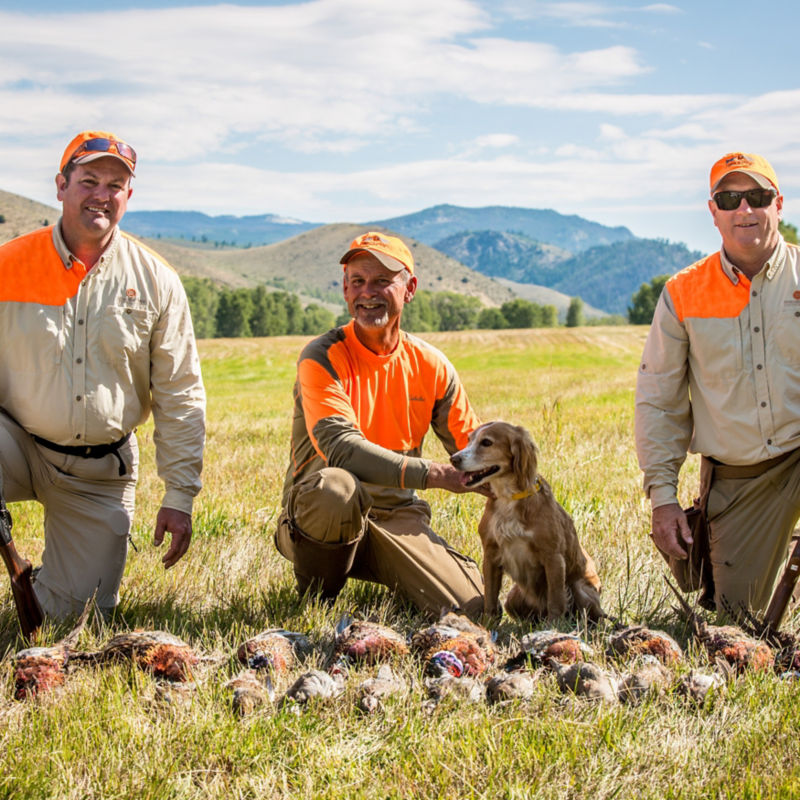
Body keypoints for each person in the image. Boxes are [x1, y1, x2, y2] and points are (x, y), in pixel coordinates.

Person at [0, 130, 206, 620]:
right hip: (15, 444)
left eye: (115, 185)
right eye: (89, 180)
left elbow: (180, 393)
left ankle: (45, 587)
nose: (102, 194)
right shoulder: (7, 265)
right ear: (61, 186)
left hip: (98, 471)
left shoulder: (158, 281)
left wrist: (179, 495)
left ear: (128, 195)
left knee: (74, 618)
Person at [275, 231, 487, 617]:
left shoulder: (432, 365)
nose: (367, 293)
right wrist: (436, 475)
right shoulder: (322, 356)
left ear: (410, 289)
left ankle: (397, 567)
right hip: (322, 517)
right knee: (335, 488)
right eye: (357, 281)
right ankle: (318, 600)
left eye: (382, 281)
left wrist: (529, 497)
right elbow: (341, 448)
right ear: (345, 289)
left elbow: (477, 452)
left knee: (471, 609)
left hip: (395, 516)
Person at [635, 150, 800, 615]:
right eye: (729, 199)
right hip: (744, 474)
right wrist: (663, 499)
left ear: (778, 203)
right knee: (737, 619)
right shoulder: (683, 292)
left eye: (757, 197)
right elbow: (659, 401)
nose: (744, 209)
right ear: (713, 211)